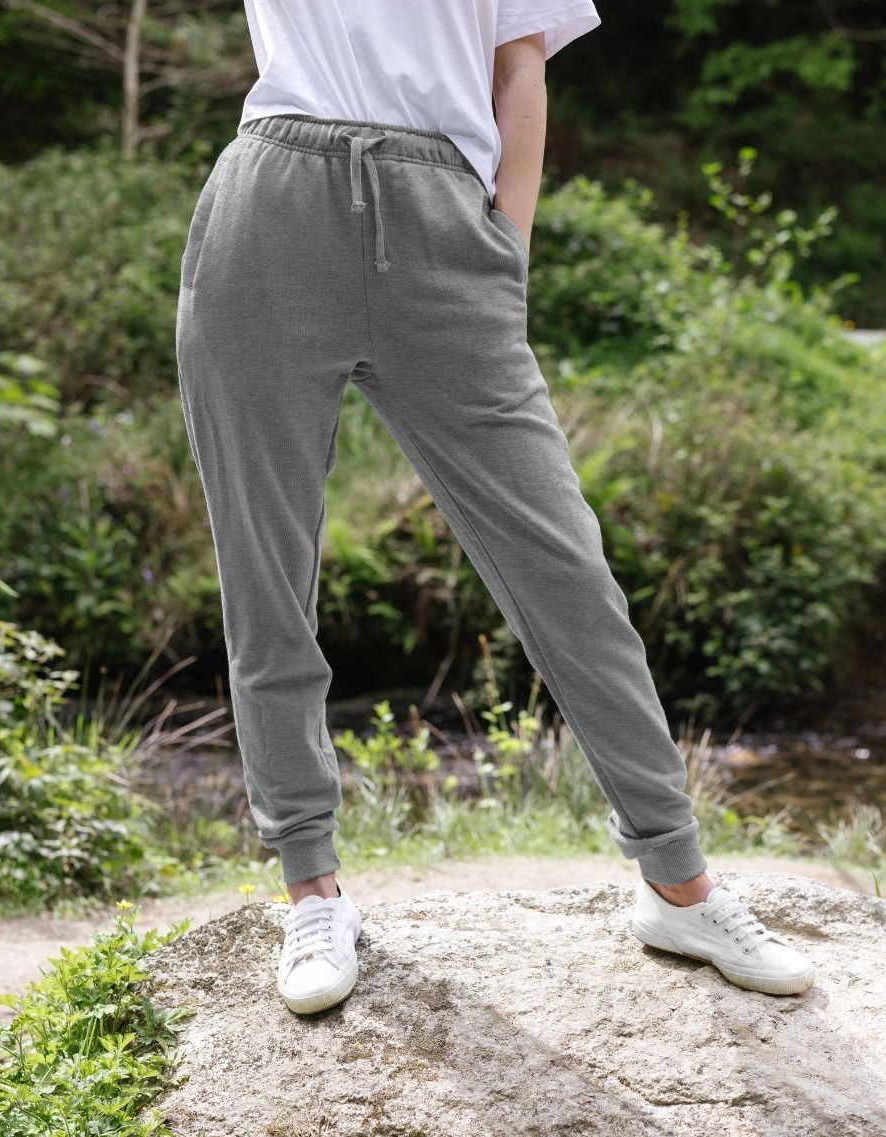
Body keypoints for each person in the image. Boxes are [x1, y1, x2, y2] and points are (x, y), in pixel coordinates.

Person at [175, 0, 816, 1016]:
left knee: (566, 571)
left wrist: (503, 254)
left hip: (445, 227)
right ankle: (312, 888)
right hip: (272, 211)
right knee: (267, 576)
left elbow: (521, 69)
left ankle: (678, 881)